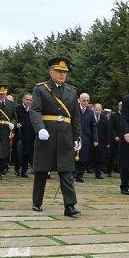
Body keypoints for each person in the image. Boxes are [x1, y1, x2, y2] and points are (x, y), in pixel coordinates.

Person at [30, 56, 82, 217]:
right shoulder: (41, 89)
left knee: (67, 171)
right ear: (51, 72)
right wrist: (40, 128)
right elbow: (35, 110)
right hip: (47, 134)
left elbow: (75, 116)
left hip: (65, 135)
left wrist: (77, 137)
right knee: (41, 170)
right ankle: (37, 202)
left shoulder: (72, 91)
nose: (62, 74)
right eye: (59, 71)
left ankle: (70, 206)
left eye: (64, 72)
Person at [74, 93, 97, 182]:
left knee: (84, 158)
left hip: (86, 138)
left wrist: (95, 139)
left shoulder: (90, 112)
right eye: (84, 100)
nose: (86, 102)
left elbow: (93, 126)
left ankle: (80, 176)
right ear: (79, 100)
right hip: (75, 137)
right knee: (74, 157)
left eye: (88, 100)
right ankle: (72, 174)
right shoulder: (74, 110)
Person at [15, 93, 35, 177]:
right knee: (19, 153)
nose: (29, 101)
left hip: (30, 135)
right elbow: (13, 118)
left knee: (27, 153)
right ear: (23, 99)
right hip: (19, 134)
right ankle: (17, 169)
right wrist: (16, 124)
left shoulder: (33, 109)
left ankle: (24, 172)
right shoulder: (17, 108)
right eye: (27, 99)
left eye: (30, 100)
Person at [92, 103, 107, 179]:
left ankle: (98, 173)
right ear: (93, 109)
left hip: (101, 140)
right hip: (91, 140)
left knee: (100, 157)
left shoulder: (104, 118)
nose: (98, 111)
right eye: (96, 110)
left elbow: (107, 129)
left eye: (99, 110)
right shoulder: (90, 116)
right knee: (89, 156)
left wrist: (107, 141)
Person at [107, 103, 122, 176]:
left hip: (123, 139)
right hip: (114, 139)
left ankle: (121, 170)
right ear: (118, 107)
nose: (122, 107)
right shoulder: (114, 115)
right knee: (111, 156)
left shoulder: (127, 115)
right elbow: (111, 127)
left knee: (121, 156)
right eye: (120, 106)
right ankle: (109, 171)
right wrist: (115, 136)